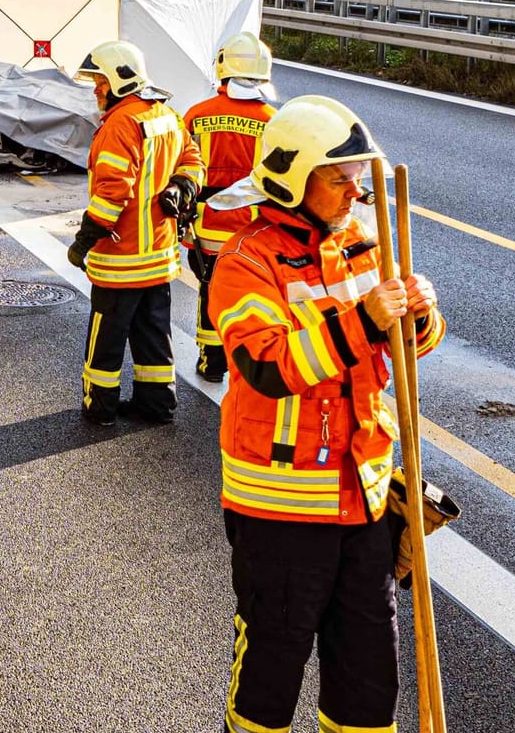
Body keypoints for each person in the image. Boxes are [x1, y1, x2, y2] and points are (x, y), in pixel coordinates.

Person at [207, 95, 445, 733]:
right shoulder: (245, 262)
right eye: (337, 179)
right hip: (280, 508)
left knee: (370, 681)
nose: (353, 190)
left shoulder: (366, 247)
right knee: (270, 678)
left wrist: (419, 315)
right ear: (291, 179)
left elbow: (407, 350)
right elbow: (269, 366)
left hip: (363, 499)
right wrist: (365, 318)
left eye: (358, 177)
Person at [66, 41, 203, 425]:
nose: (96, 89)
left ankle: (100, 407)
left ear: (118, 80)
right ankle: (158, 405)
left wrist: (83, 241)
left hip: (121, 261)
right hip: (159, 259)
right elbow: (193, 160)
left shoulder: (120, 125)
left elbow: (112, 193)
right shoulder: (166, 115)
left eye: (100, 82)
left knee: (105, 341)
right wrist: (182, 186)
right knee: (154, 335)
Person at [180, 31, 277, 383]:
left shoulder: (196, 115)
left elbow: (180, 170)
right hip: (252, 232)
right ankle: (244, 363)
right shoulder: (274, 121)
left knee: (210, 292)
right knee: (251, 298)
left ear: (223, 69)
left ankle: (211, 362)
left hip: (205, 227)